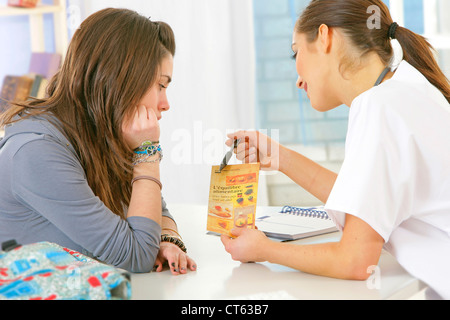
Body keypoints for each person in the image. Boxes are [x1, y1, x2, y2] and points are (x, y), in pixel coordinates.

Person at [221, 0, 450, 299]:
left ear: (326, 37)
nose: (298, 79)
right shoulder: (407, 88)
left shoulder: (378, 107)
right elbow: (364, 201)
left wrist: (265, 249)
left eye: (296, 53)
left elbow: (356, 261)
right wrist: (280, 157)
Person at [0, 8, 196, 275]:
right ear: (119, 81)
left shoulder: (99, 133)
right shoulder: (37, 152)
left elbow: (156, 208)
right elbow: (136, 256)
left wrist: (168, 239)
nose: (165, 104)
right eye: (160, 86)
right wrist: (148, 151)